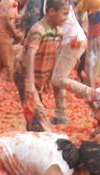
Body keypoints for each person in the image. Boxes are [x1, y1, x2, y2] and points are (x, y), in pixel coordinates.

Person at [17, 0, 68, 131]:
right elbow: (30, 55)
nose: (66, 18)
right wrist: (30, 82)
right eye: (64, 14)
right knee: (39, 112)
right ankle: (44, 133)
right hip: (26, 75)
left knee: (33, 109)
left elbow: (54, 54)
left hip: (39, 76)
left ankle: (31, 131)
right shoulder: (38, 30)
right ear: (51, 12)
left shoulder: (59, 32)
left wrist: (49, 78)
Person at [50, 0, 86, 124]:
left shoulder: (60, 4)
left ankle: (91, 93)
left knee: (57, 79)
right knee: (56, 79)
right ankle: (60, 113)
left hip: (73, 42)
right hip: (63, 42)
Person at [0, 0, 20, 81]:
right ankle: (10, 84)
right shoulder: (12, 3)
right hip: (2, 35)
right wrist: (16, 34)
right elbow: (8, 21)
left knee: (1, 63)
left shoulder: (3, 2)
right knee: (10, 63)